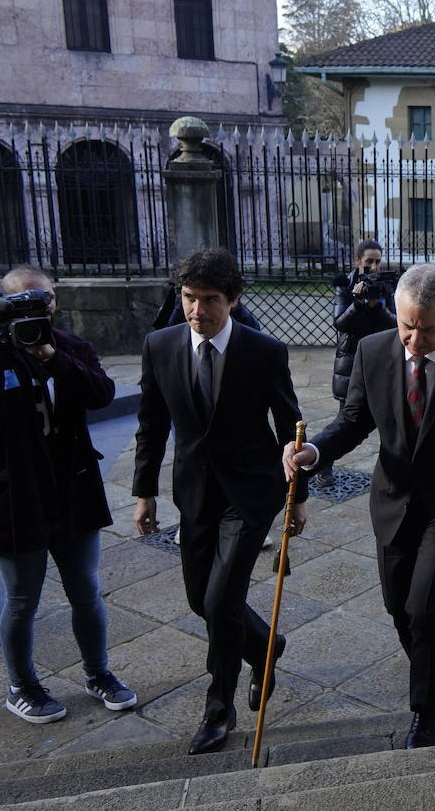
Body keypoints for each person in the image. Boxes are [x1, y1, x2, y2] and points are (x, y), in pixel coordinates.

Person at [283, 263, 435, 748]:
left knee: (426, 610)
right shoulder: (373, 351)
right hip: (393, 501)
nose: (413, 338)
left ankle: (425, 713)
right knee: (398, 608)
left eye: (427, 329)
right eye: (406, 325)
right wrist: (314, 452)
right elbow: (353, 420)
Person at [132, 248, 305, 754]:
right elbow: (151, 424)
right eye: (189, 298)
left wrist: (299, 497)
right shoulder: (159, 347)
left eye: (210, 300)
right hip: (194, 493)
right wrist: (144, 492)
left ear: (232, 300)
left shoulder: (263, 352)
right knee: (199, 599)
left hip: (251, 494)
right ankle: (267, 646)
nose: (197, 311)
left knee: (220, 601)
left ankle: (218, 708)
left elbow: (289, 426)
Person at [0, 265, 137, 724]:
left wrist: (51, 354)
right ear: (3, 303)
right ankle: (22, 686)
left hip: (72, 487)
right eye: (27, 301)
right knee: (21, 599)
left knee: (86, 591)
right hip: (17, 495)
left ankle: (98, 673)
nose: (41, 307)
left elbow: (101, 394)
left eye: (47, 298)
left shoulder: (70, 347)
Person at [316, 239, 397, 486]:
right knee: (346, 421)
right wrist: (358, 304)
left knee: (391, 420)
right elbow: (340, 323)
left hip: (382, 361)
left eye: (377, 261)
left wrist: (377, 308)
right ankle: (322, 461)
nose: (374, 266)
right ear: (358, 260)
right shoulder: (345, 285)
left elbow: (395, 322)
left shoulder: (386, 284)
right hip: (351, 362)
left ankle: (394, 471)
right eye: (369, 261)